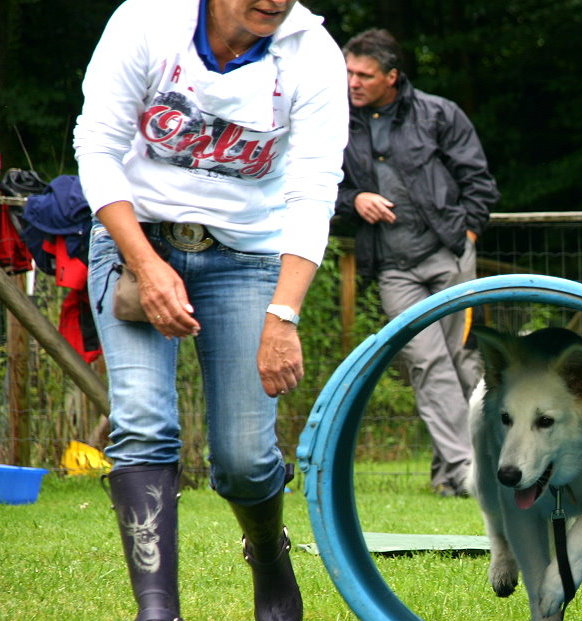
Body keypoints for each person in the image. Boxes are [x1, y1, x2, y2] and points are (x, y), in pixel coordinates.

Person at [73, 1, 348, 619]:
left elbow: (314, 189)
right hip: (135, 238)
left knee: (245, 459)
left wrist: (284, 315)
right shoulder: (147, 21)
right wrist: (146, 265)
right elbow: (96, 147)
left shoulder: (313, 55)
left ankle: (268, 554)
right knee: (143, 424)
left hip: (248, 255)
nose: (274, 1)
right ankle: (157, 610)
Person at [336, 29, 500, 498]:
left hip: (448, 255)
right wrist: (355, 199)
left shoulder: (439, 113)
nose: (353, 82)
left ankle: (452, 474)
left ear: (391, 76)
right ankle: (468, 471)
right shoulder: (333, 121)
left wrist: (467, 236)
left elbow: (479, 182)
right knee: (426, 363)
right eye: (349, 72)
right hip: (393, 269)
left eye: (364, 75)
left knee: (463, 362)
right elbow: (317, 187)